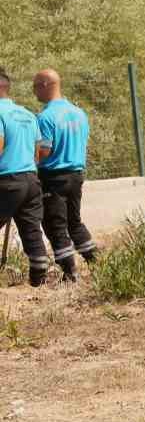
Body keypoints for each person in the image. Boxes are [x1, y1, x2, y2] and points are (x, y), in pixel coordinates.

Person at [32, 69, 96, 281]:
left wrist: (29, 162)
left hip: (54, 177)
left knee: (54, 224)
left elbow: (44, 151)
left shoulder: (45, 117)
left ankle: (70, 273)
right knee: (74, 221)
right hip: (76, 174)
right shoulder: (79, 113)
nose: (34, 92)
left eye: (35, 87)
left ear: (44, 85)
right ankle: (96, 261)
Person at [0, 68, 51, 286]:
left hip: (7, 180)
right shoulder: (28, 114)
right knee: (31, 229)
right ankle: (38, 281)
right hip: (31, 179)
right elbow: (38, 152)